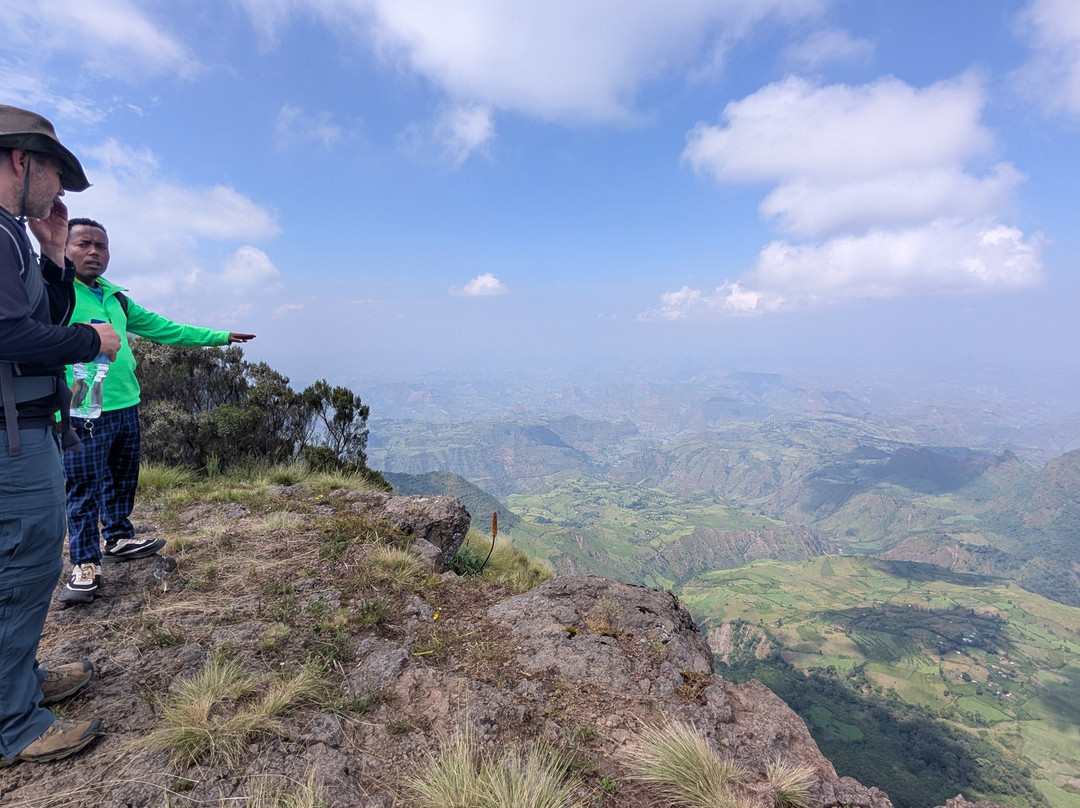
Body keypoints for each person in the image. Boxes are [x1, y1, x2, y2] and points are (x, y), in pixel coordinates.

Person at [0, 104, 121, 766]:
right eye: (55, 172)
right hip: (9, 439)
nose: (61, 193)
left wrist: (51, 257)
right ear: (23, 160)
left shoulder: (13, 236)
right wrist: (90, 340)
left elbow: (33, 314)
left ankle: (17, 685)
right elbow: (9, 335)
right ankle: (12, 722)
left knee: (25, 566)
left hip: (23, 431)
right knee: (20, 567)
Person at [59, 218, 255, 605]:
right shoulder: (55, 296)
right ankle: (84, 563)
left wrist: (219, 337)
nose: (94, 252)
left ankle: (117, 536)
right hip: (81, 410)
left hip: (126, 404)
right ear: (65, 248)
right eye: (84, 244)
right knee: (83, 488)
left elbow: (165, 329)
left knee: (122, 477)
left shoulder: (116, 299)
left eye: (101, 245)